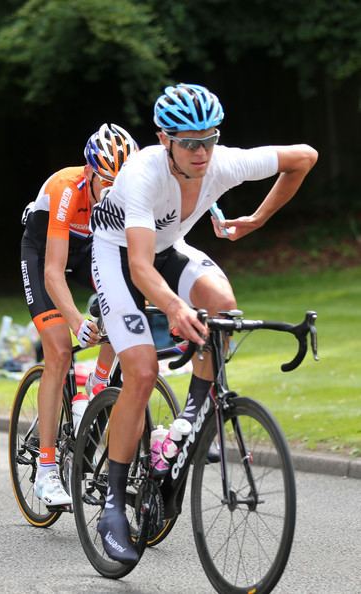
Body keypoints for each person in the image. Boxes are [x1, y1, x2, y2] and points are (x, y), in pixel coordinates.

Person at [90, 83, 318, 563]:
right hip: (120, 256)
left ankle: (189, 420)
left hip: (168, 248)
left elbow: (305, 156)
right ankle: (112, 505)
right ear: (163, 139)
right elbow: (140, 268)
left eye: (209, 139)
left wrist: (257, 218)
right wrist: (174, 308)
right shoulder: (140, 174)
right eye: (189, 142)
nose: (201, 152)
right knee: (143, 370)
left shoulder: (224, 162)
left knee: (222, 303)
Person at [20, 123, 138, 506]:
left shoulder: (126, 197)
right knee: (59, 350)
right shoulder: (67, 189)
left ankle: (95, 389)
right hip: (44, 252)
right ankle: (47, 470)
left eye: (121, 183)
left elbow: (133, 265)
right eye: (107, 181)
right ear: (89, 172)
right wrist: (76, 322)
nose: (113, 190)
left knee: (126, 304)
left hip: (88, 249)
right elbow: (53, 271)